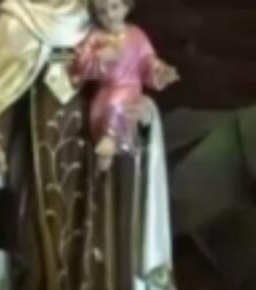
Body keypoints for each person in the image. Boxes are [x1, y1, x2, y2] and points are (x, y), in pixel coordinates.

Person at [0, 0, 177, 290]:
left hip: (98, 170)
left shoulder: (100, 11)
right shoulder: (17, 21)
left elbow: (132, 75)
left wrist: (143, 113)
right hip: (35, 175)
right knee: (34, 258)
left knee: (104, 255)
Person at [73, 0, 179, 172]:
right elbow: (81, 66)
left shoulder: (137, 35)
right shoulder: (95, 37)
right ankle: (106, 140)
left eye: (114, 7)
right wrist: (99, 58)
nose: (109, 15)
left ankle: (110, 140)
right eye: (101, 11)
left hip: (130, 90)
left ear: (126, 7)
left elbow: (148, 62)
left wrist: (160, 71)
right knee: (108, 104)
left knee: (119, 103)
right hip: (104, 93)